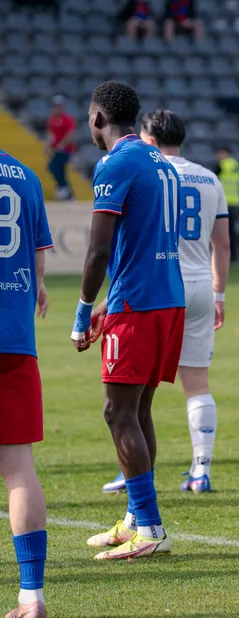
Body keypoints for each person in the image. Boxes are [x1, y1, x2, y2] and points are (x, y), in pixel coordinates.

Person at [72, 81, 186, 561]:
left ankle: (150, 526)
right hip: (167, 299)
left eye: (89, 118)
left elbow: (99, 249)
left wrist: (82, 310)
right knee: (138, 411)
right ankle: (138, 519)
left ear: (98, 117)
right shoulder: (162, 162)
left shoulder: (114, 164)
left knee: (117, 412)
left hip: (138, 307)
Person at [141, 111, 230, 493]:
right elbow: (222, 243)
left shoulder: (151, 174)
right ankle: (201, 469)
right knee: (197, 384)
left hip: (160, 287)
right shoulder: (209, 177)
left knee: (135, 387)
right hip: (200, 286)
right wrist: (219, 292)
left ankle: (135, 472)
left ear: (149, 138)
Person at [0, 149, 52, 618]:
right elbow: (38, 260)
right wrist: (36, 286)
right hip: (16, 338)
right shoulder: (25, 175)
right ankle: (31, 597)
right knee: (19, 469)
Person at [45, 95, 76, 201]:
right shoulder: (51, 119)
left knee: (54, 166)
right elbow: (51, 135)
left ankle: (63, 188)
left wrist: (61, 145)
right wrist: (48, 147)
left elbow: (70, 134)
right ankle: (66, 190)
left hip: (65, 149)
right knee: (59, 169)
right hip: (57, 149)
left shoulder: (67, 119)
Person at [216, 145, 239, 263]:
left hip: (223, 202)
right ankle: (234, 256)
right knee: (232, 231)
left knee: (221, 231)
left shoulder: (221, 165)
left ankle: (221, 256)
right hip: (234, 201)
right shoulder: (237, 165)